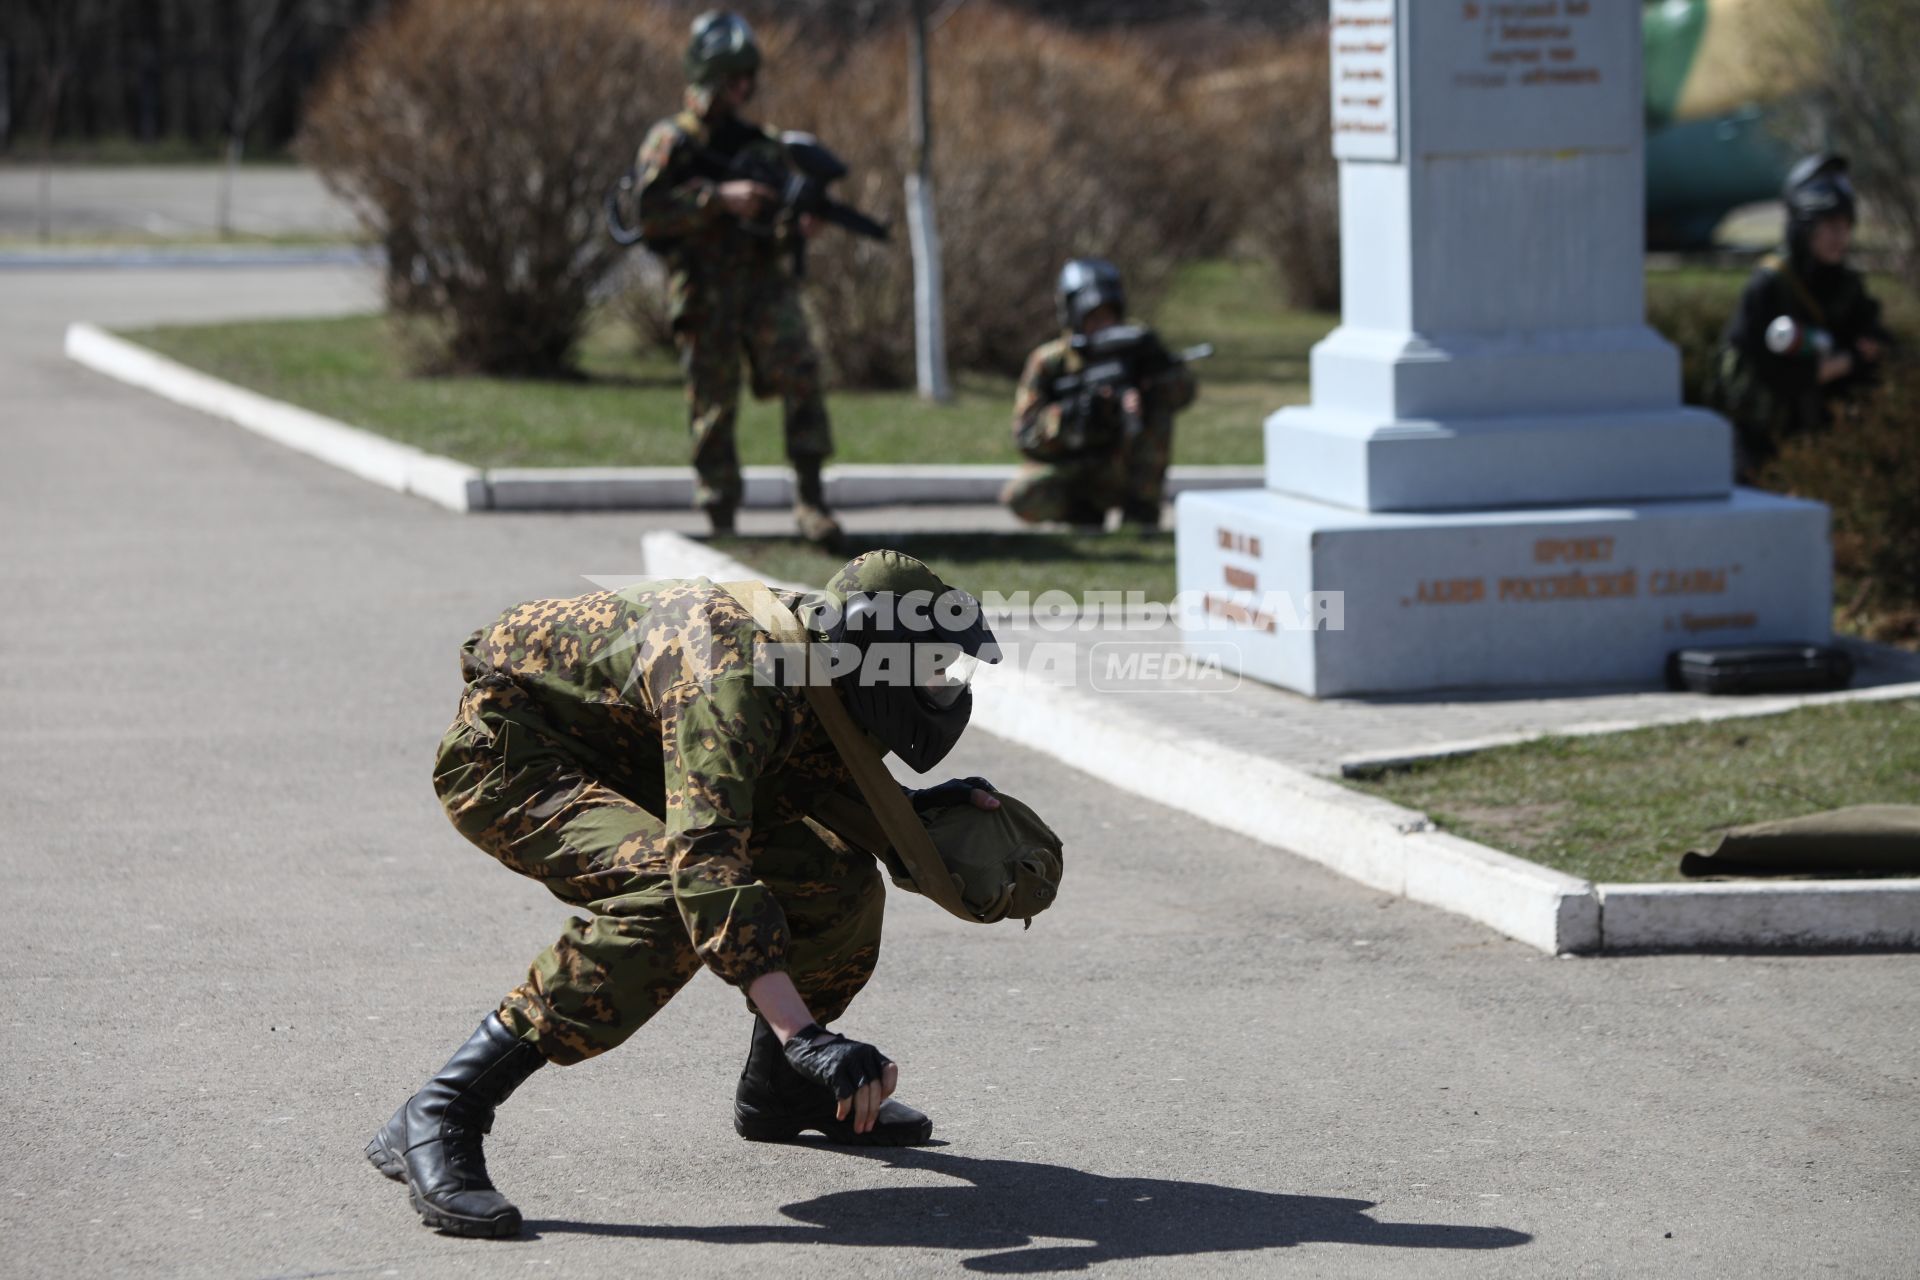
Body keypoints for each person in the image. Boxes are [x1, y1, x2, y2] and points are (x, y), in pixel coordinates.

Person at [364, 550, 1003, 1237]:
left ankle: (781, 1097)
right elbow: (706, 865)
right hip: (517, 756)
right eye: (930, 670)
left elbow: (798, 761)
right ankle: (440, 1110)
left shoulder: (822, 651)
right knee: (666, 903)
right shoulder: (737, 673)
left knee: (834, 880)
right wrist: (804, 1033)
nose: (943, 687)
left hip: (641, 755)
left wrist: (905, 812)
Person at [632, 11, 841, 543]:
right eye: (733, 78)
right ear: (708, 75)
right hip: (704, 292)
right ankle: (721, 514)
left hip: (762, 287)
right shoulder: (672, 141)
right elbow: (649, 213)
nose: (743, 88)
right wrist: (718, 199)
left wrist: (798, 225)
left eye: (749, 78)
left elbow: (776, 224)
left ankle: (811, 501)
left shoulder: (763, 144)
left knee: (802, 375)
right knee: (714, 404)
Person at [1708, 154, 1891, 481]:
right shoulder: (1769, 285)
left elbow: (1877, 343)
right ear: (1805, 227)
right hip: (1764, 450)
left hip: (1828, 448)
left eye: (1846, 226)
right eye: (1830, 226)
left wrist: (1860, 355)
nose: (1840, 237)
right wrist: (1846, 361)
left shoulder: (1846, 286)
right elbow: (1764, 375)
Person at [1003, 258, 1197, 532]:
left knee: (1160, 414)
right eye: (1093, 317)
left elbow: (1184, 394)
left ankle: (1140, 516)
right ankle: (1082, 514)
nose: (1103, 326)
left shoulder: (1135, 345)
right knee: (1021, 494)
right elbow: (1025, 437)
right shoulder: (1050, 361)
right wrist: (1071, 414)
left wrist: (1157, 373)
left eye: (1109, 316)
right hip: (1074, 469)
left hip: (1123, 469)